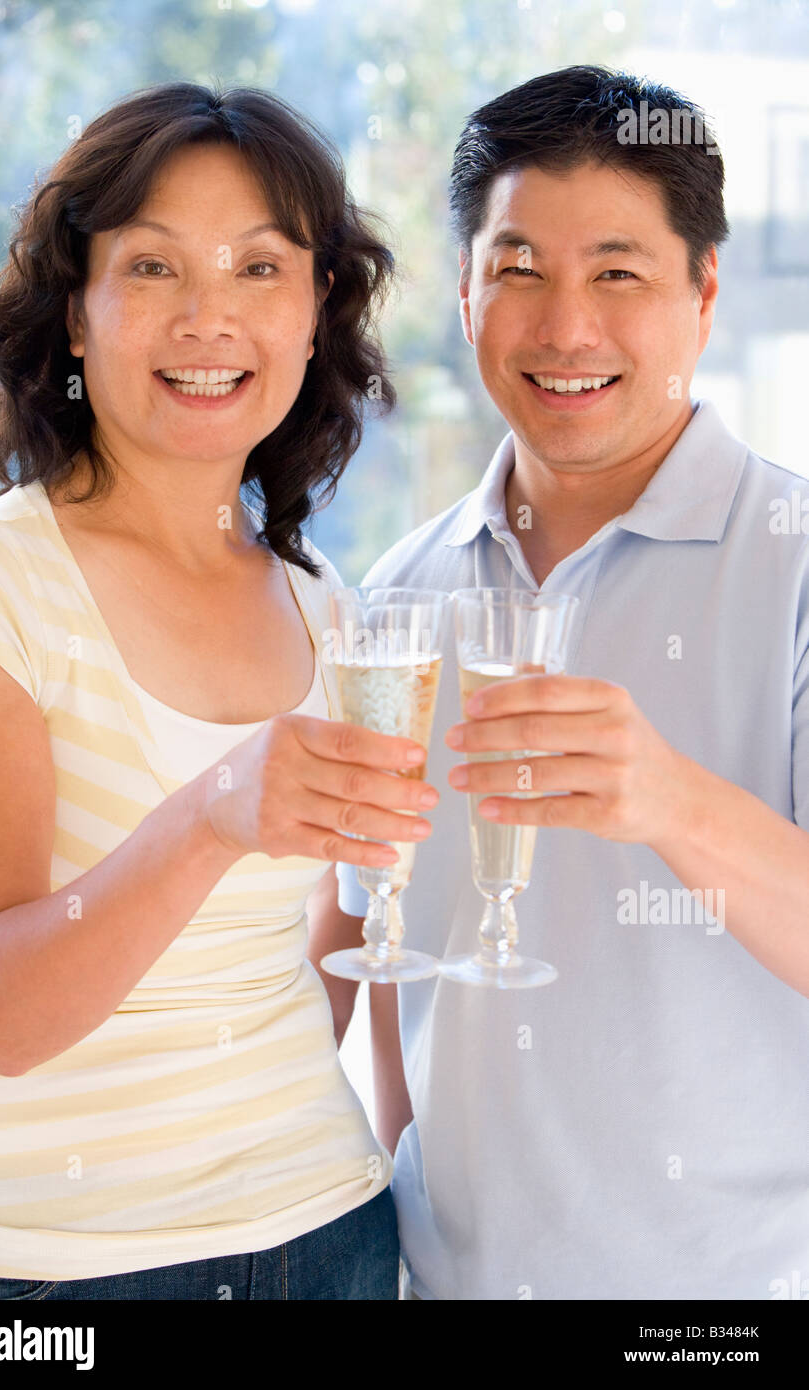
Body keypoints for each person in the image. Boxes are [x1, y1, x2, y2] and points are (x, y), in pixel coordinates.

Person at [313, 64, 809, 1300]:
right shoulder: (397, 595)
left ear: (701, 293)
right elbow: (367, 940)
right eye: (519, 268)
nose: (565, 327)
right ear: (470, 291)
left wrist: (673, 802)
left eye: (617, 274)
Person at [0, 81, 442, 1300]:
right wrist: (215, 809)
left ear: (317, 312)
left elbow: (329, 933)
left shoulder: (321, 601)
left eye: (260, 269)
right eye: (154, 269)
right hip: (67, 1281)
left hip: (329, 1229)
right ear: (75, 313)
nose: (210, 317)